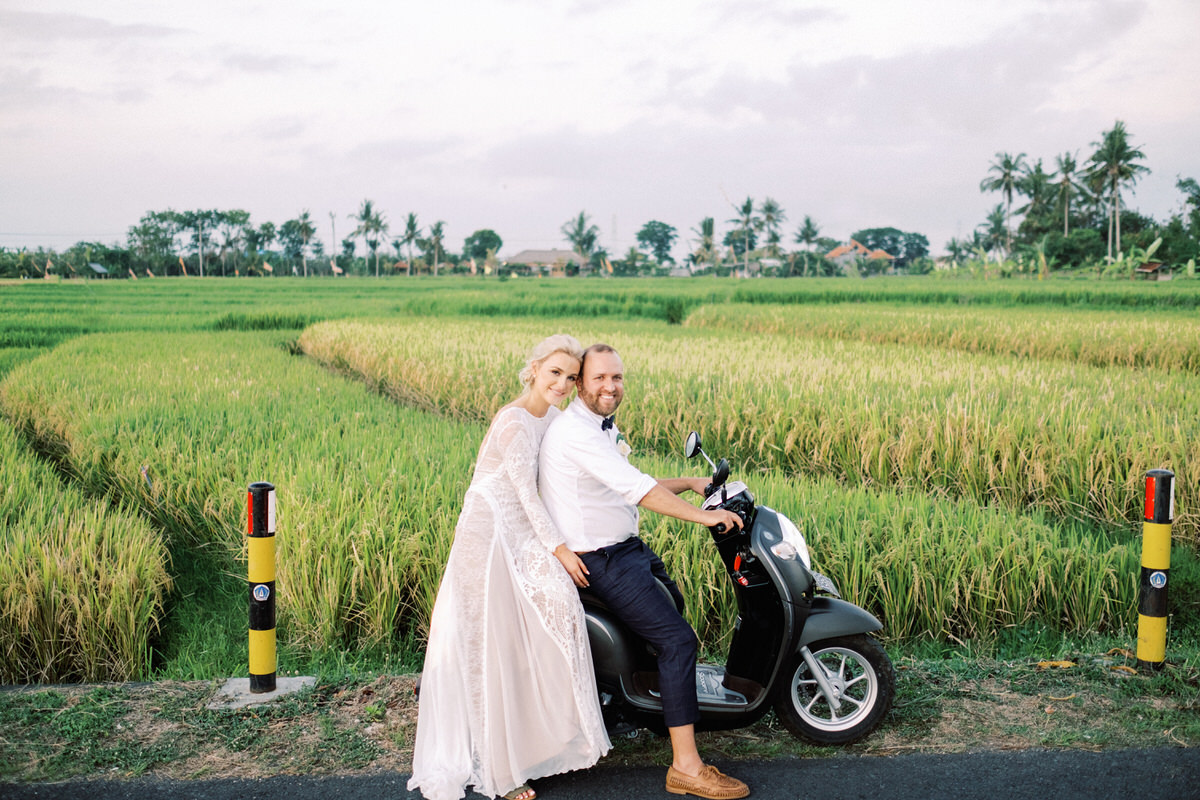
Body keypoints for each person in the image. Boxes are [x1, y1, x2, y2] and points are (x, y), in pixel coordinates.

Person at [538, 343, 750, 800]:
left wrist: (692, 483)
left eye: (617, 378)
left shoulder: (596, 427)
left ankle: (660, 713)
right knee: (677, 641)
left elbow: (626, 479)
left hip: (626, 549)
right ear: (579, 384)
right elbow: (639, 491)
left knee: (673, 610)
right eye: (599, 378)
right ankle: (686, 767)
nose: (610, 387)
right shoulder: (575, 432)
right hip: (602, 559)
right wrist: (705, 516)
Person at [408, 334, 610, 800]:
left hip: (522, 531)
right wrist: (559, 551)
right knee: (492, 643)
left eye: (571, 377)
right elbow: (523, 492)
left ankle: (542, 741)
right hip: (490, 533)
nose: (562, 383)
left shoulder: (554, 421)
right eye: (555, 372)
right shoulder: (514, 422)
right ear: (535, 369)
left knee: (553, 618)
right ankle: (499, 768)